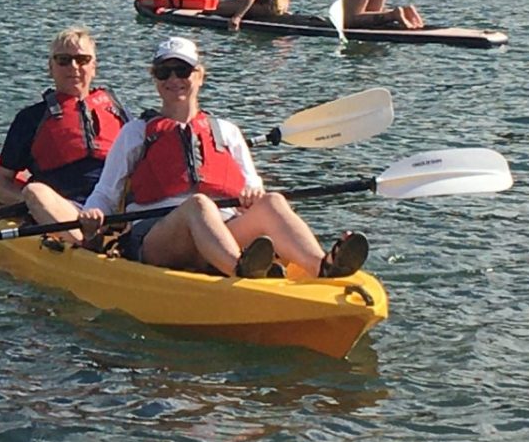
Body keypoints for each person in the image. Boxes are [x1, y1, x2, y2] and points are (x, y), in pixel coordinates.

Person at [79, 36, 368, 280]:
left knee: (273, 202)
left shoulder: (226, 131)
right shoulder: (136, 132)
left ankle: (323, 266)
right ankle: (241, 271)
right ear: (155, 79)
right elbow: (105, 193)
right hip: (160, 236)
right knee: (198, 205)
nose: (173, 79)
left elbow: (252, 183)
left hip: (224, 230)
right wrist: (91, 214)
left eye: (182, 70)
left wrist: (254, 192)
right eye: (164, 72)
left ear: (200, 75)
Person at [0, 24, 127, 243]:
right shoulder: (31, 118)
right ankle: (87, 242)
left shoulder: (116, 110)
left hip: (114, 207)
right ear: (50, 67)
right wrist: (32, 206)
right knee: (35, 191)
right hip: (65, 209)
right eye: (63, 60)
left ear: (94, 67)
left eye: (82, 60)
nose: (73, 67)